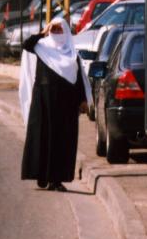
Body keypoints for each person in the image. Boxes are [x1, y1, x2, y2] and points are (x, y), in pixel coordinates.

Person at [19, 17, 92, 191]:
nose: (57, 33)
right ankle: (41, 176)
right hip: (43, 101)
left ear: (66, 32)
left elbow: (78, 79)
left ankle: (56, 180)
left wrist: (82, 100)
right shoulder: (41, 47)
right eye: (54, 29)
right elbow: (26, 44)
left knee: (61, 141)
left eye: (60, 30)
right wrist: (42, 32)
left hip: (65, 105)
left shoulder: (72, 54)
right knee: (42, 138)